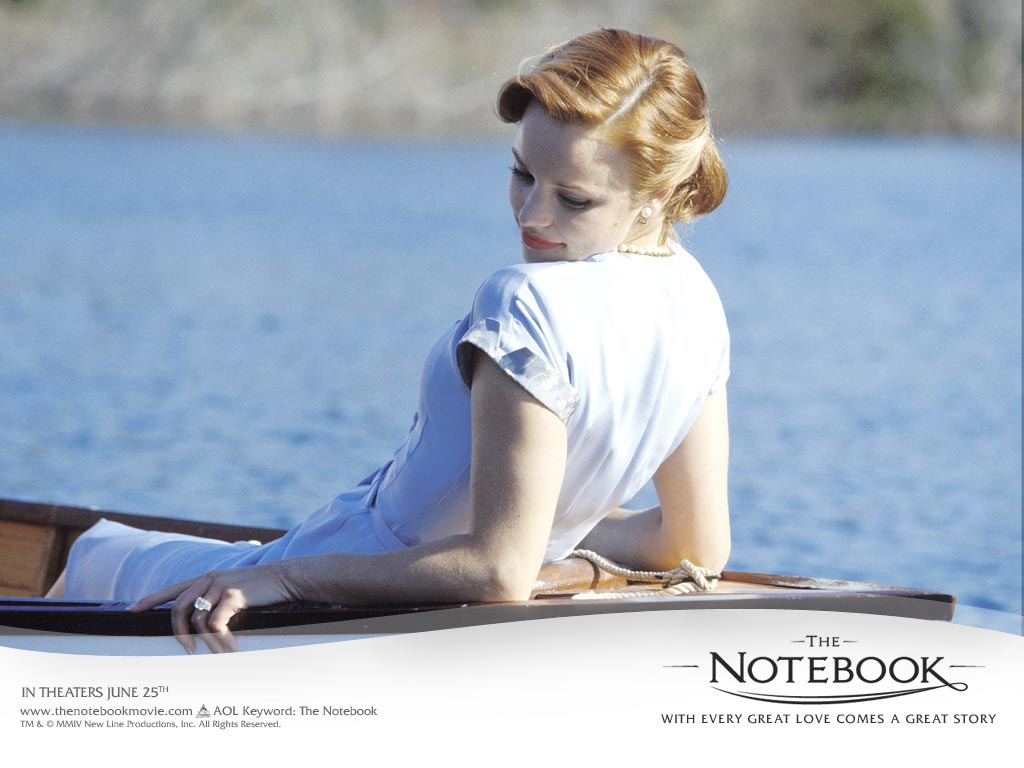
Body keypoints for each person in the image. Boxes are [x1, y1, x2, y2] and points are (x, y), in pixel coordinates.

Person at [52, 28, 731, 653]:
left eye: (573, 199)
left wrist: (284, 579)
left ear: (660, 192)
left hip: (347, 586)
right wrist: (558, 548)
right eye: (522, 173)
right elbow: (695, 546)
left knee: (91, 554)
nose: (531, 214)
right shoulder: (699, 305)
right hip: (379, 579)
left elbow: (498, 571)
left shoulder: (526, 299)